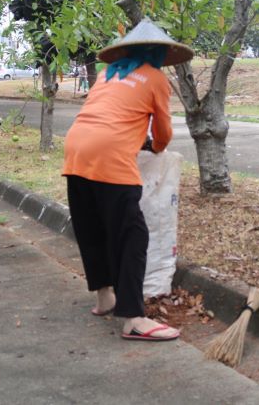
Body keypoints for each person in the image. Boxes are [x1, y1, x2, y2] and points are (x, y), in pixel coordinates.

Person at [62, 18, 193, 341]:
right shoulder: (155, 78)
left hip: (76, 150)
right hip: (110, 157)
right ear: (159, 54)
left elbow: (111, 112)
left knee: (93, 228)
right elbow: (162, 130)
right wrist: (157, 148)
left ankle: (105, 296)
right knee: (133, 235)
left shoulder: (108, 73)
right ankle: (134, 318)